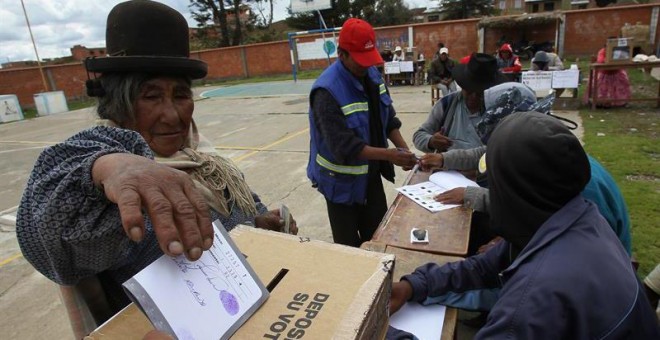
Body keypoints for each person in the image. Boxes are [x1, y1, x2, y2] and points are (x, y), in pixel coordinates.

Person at [16, 0, 297, 328]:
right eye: (151, 97)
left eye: (180, 95)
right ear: (117, 105)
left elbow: (235, 216)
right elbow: (43, 233)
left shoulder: (202, 158)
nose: (173, 115)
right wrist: (109, 167)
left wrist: (257, 223)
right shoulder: (103, 178)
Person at [390, 112, 660, 339]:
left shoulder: (529, 304)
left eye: (493, 182)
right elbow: (484, 266)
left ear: (517, 193)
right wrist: (414, 285)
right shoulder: (577, 218)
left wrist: (382, 332)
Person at [421, 82, 633, 255]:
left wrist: (504, 247)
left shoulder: (576, 185)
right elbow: (484, 154)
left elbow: (563, 243)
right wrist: (444, 160)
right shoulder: (544, 154)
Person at [307, 18, 417, 247]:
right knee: (350, 250)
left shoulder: (373, 76)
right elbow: (343, 147)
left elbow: (388, 118)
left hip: (370, 175)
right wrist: (390, 155)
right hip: (340, 184)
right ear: (342, 54)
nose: (365, 66)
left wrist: (403, 149)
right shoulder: (326, 92)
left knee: (378, 239)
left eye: (369, 60)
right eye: (359, 60)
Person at [413, 53, 504, 153]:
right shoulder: (446, 105)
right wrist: (431, 141)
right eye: (469, 89)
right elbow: (419, 135)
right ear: (463, 84)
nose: (474, 96)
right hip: (448, 167)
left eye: (480, 92)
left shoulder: (500, 109)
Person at [593, 37, 631, 108]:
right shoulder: (603, 51)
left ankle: (620, 102)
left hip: (616, 73)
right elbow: (600, 60)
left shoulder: (619, 51)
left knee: (622, 83)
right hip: (605, 73)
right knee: (602, 87)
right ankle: (602, 103)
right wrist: (609, 59)